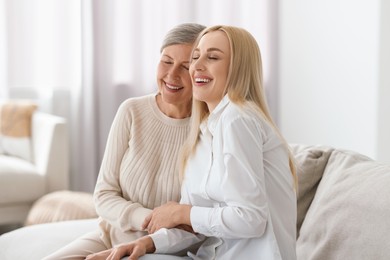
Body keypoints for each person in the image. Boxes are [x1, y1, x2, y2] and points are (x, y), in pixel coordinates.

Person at [92, 25, 298, 260]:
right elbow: (197, 229)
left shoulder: (238, 119)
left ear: (238, 68)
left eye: (212, 57)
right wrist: (147, 243)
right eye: (196, 57)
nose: (197, 66)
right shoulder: (204, 133)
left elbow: (250, 218)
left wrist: (183, 213)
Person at [42, 22, 206, 260]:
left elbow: (197, 223)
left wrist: (154, 234)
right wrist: (151, 219)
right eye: (167, 61)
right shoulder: (132, 111)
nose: (172, 75)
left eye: (185, 66)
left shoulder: (208, 130)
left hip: (164, 248)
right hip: (108, 236)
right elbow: (104, 194)